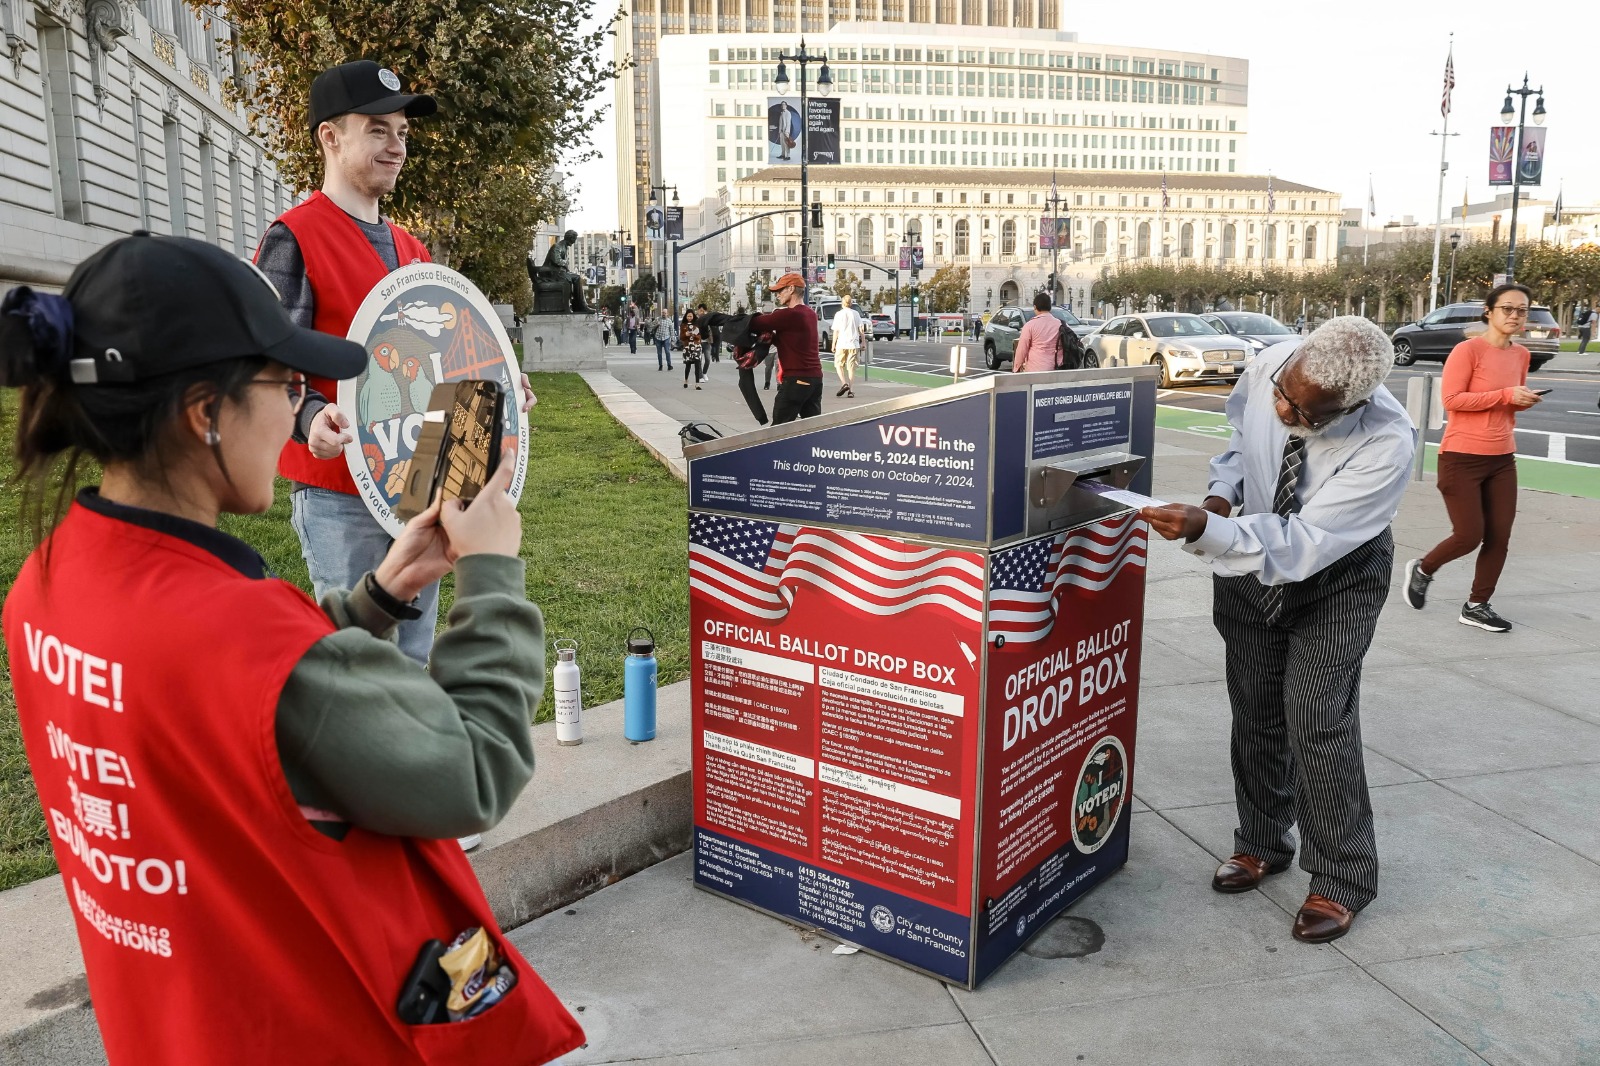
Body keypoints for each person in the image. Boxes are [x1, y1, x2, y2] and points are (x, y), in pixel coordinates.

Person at [0, 233, 583, 1064]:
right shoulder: (241, 639)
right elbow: (475, 770)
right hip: (310, 1026)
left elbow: (224, 720)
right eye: (284, 385)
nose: (294, 413)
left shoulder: (48, 584)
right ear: (206, 413)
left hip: (172, 1024)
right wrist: (489, 573)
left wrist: (377, 598)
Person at [1140, 317, 1415, 944]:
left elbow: (1303, 545)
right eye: (1283, 391)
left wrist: (1205, 532)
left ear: (1351, 406)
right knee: (1256, 707)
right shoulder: (1278, 364)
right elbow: (1241, 436)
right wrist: (1219, 495)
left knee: (1316, 716)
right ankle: (1261, 842)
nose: (1281, 406)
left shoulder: (1387, 443)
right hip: (1248, 548)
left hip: (1335, 576)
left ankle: (1342, 880)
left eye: (1303, 411)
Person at [254, 60, 533, 672]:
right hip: (341, 495)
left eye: (401, 131)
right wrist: (306, 419)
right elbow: (268, 362)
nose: (397, 145)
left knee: (411, 655)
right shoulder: (294, 237)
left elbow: (441, 361)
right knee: (360, 664)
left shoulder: (413, 250)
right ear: (330, 136)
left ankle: (407, 766)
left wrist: (503, 387)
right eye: (377, 129)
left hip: (419, 482)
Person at [1403, 283, 1542, 632]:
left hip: (1502, 458)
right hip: (1461, 457)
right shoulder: (1468, 351)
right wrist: (1505, 394)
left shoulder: (1521, 355)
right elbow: (1452, 400)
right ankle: (1423, 568)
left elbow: (1506, 403)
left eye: (1521, 310)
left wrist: (1520, 399)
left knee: (1499, 537)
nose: (1514, 315)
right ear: (1489, 312)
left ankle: (1477, 605)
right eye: (1507, 308)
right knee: (1469, 535)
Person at [752, 272, 821, 423]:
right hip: (815, 380)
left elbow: (756, 323)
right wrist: (773, 338)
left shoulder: (790, 315)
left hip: (797, 380)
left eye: (780, 290)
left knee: (780, 430)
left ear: (791, 289)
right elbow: (792, 342)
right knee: (813, 429)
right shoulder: (810, 313)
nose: (777, 295)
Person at [1012, 292, 1063, 373]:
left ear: (1035, 307)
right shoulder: (1060, 324)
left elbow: (1022, 349)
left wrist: (1016, 367)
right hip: (1056, 368)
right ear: (1050, 307)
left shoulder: (1030, 325)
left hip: (1035, 369)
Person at [831, 294, 864, 398]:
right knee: (851, 368)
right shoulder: (856, 314)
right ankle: (851, 390)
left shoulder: (839, 314)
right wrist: (863, 342)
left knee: (838, 365)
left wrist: (833, 344)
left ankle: (843, 383)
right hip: (853, 344)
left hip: (841, 343)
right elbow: (861, 330)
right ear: (851, 304)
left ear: (842, 303)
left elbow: (836, 331)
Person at [679, 308, 704, 389]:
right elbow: (681, 337)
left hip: (696, 346)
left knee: (697, 364)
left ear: (693, 316)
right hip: (687, 346)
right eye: (688, 316)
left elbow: (700, 336)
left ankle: (697, 383)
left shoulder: (697, 324)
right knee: (688, 365)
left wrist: (694, 335)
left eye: (691, 316)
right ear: (686, 316)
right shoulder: (683, 325)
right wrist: (686, 334)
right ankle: (686, 380)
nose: (689, 318)